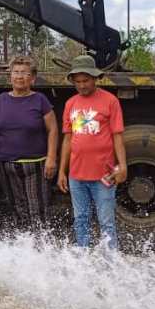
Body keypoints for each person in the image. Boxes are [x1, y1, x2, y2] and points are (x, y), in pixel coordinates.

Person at [57, 55, 127, 249]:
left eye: (86, 80)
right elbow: (68, 139)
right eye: (77, 82)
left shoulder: (110, 101)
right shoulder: (70, 104)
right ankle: (83, 257)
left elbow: (117, 136)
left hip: (103, 175)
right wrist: (63, 171)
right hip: (76, 175)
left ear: (95, 78)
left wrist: (122, 166)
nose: (82, 85)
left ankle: (111, 260)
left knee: (106, 221)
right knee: (80, 218)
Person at [0, 56, 58, 227]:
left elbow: (53, 129)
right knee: (17, 209)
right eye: (16, 72)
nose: (19, 77)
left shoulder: (40, 100)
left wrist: (51, 158)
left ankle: (40, 247)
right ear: (10, 76)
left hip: (35, 165)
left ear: (32, 78)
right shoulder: (1, 100)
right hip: (7, 165)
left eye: (25, 73)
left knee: (37, 210)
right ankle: (24, 246)